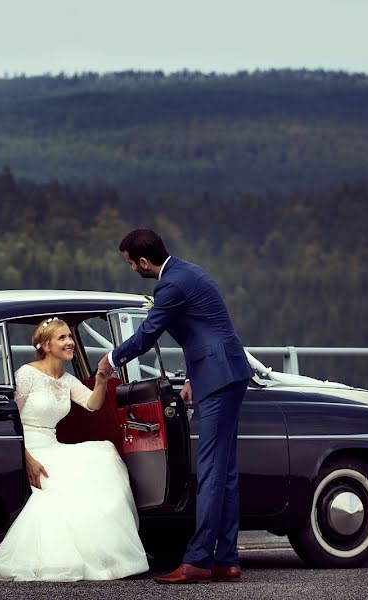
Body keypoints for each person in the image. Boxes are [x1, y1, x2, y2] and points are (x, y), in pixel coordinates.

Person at [98, 228, 253, 585]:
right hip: (225, 372)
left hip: (219, 377)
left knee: (212, 471)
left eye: (131, 264)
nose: (132, 269)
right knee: (225, 471)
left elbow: (147, 335)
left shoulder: (171, 286)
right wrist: (193, 379)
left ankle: (198, 560)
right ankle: (226, 560)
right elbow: (205, 330)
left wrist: (111, 358)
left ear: (143, 261)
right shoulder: (188, 272)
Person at [0, 317, 149, 581]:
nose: (70, 342)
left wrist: (102, 379)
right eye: (62, 338)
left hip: (52, 446)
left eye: (70, 337)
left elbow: (92, 405)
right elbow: (10, 420)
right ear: (45, 345)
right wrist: (26, 458)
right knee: (63, 492)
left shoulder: (67, 379)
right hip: (28, 447)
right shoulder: (27, 374)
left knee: (104, 455)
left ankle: (104, 556)